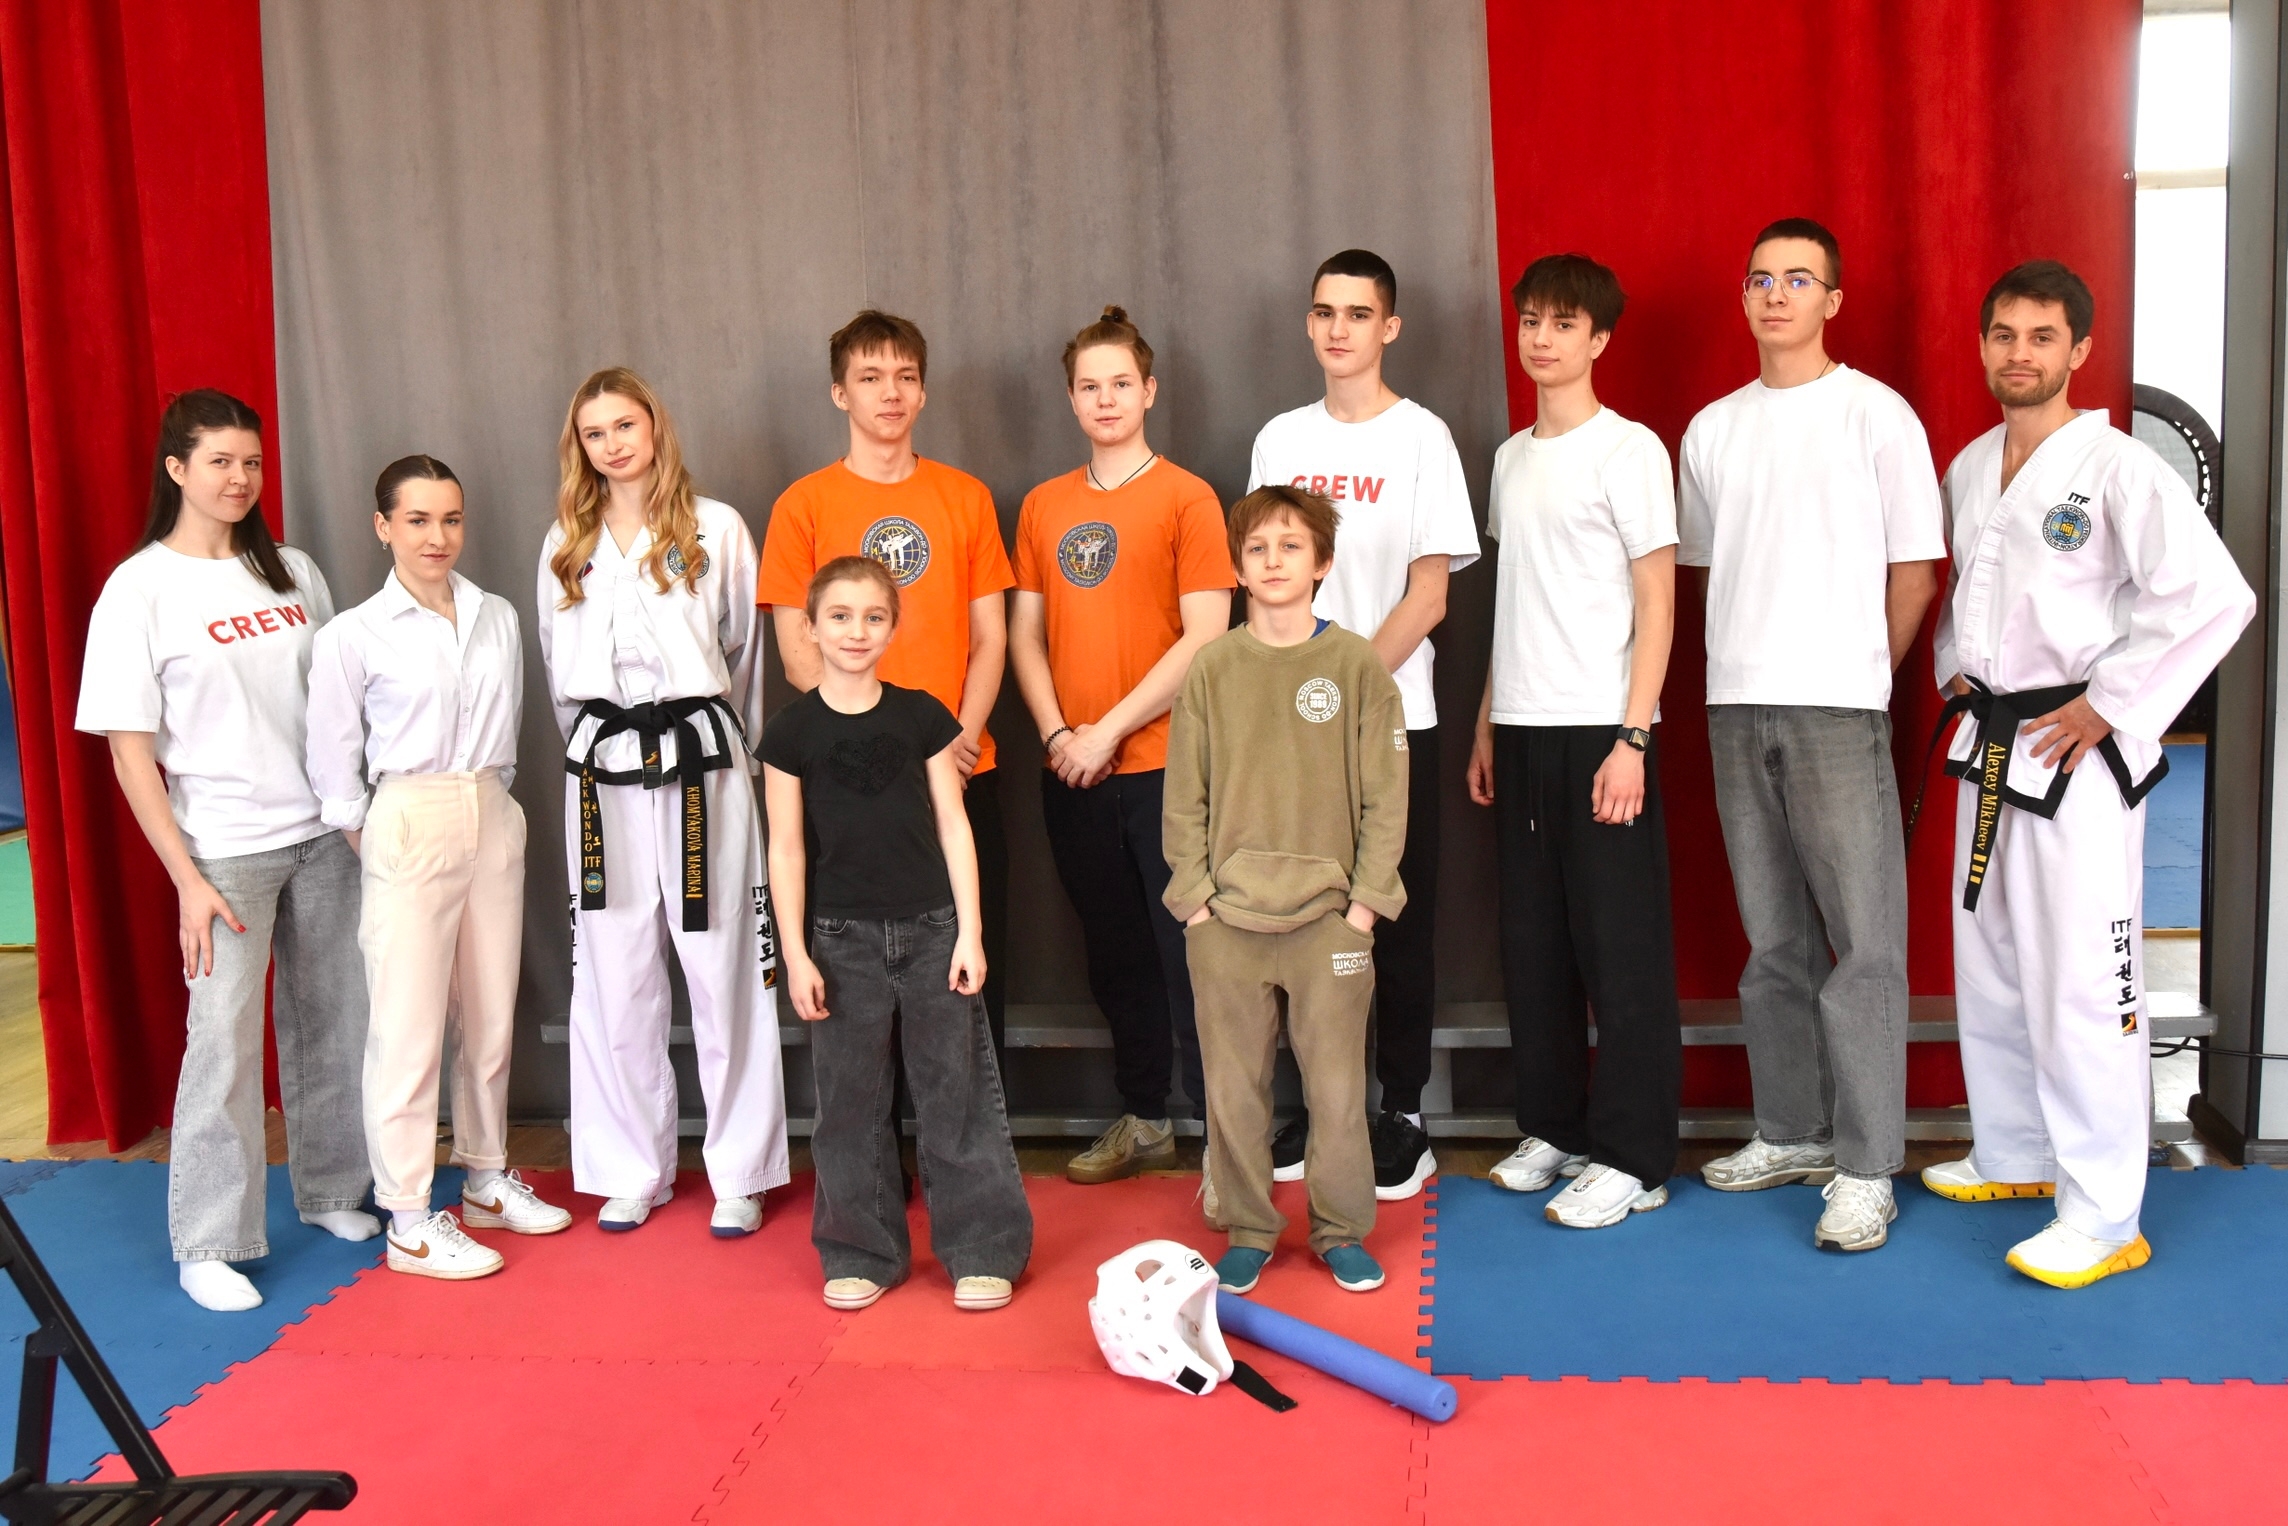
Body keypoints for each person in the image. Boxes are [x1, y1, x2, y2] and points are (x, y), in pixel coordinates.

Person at [1924, 261, 2252, 1287]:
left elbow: (2213, 596)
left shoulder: (2119, 467)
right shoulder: (1971, 465)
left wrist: (2111, 699)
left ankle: (2105, 1214)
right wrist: (1959, 673)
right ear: (1983, 345)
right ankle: (2016, 1150)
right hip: (1992, 741)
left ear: (2079, 350)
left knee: (2082, 981)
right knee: (1991, 960)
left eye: (2040, 336)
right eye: (2003, 334)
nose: (2018, 353)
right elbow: (1964, 602)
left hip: (2076, 756)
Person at [78, 389, 377, 1312]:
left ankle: (332, 1190)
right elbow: (130, 754)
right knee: (222, 1046)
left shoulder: (293, 572)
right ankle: (209, 1240)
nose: (240, 478)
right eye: (219, 462)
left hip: (323, 837)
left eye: (251, 462)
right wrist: (186, 879)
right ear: (177, 469)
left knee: (336, 1023)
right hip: (224, 855)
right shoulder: (139, 590)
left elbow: (337, 705)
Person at [1680, 218, 1946, 1252]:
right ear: (1743, 295)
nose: (1776, 294)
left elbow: (1915, 569)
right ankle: (1791, 1129)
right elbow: (1710, 566)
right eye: (1760, 278)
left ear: (1832, 300)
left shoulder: (1875, 414)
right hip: (1735, 702)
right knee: (1772, 941)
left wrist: (1861, 674)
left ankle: (1868, 1165)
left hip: (1837, 705)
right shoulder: (1712, 429)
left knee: (1863, 945)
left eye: (1798, 279)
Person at [1246, 249, 1479, 1201]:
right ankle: (1316, 1104)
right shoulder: (1280, 440)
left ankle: (1403, 1113)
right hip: (1293, 731)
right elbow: (1265, 578)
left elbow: (1429, 595)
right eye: (1324, 312)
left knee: (1393, 917)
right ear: (1309, 324)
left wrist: (1342, 689)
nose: (1338, 329)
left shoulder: (1422, 439)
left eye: (1357, 313)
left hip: (1391, 719)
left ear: (1389, 328)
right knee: (1301, 919)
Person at [307, 455, 571, 1281]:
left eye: (451, 519)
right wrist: (383, 841)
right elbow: (332, 764)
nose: (437, 536)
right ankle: (410, 1218)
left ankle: (487, 1180)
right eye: (417, 520)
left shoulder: (495, 616)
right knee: (408, 1027)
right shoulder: (353, 635)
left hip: (489, 806)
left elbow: (510, 731)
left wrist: (489, 813)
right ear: (383, 526)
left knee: (490, 1015)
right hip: (408, 813)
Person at [538, 367, 787, 1234]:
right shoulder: (565, 541)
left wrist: (738, 754)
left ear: (654, 427)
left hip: (703, 758)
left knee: (723, 962)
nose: (613, 444)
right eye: (595, 432)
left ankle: (741, 1171)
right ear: (580, 446)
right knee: (613, 966)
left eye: (625, 425)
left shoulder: (715, 527)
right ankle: (629, 1167)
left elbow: (746, 652)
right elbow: (558, 671)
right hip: (602, 762)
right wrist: (597, 745)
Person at [1466, 254, 1683, 1227]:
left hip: (1603, 726)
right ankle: (1552, 1126)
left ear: (1598, 339)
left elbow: (1656, 599)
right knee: (1534, 943)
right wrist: (1486, 717)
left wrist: (1632, 735)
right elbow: (1515, 599)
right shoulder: (1509, 458)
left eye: (1562, 323)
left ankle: (1634, 1156)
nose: (1541, 338)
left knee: (1619, 947)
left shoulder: (1628, 450)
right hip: (1520, 727)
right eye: (1530, 321)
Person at [762, 557, 1032, 1312]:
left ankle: (982, 1249)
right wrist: (796, 953)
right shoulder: (790, 732)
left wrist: (970, 933)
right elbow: (786, 849)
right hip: (840, 938)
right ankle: (859, 1252)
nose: (856, 631)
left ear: (892, 628)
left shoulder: (923, 717)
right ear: (810, 627)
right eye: (839, 616)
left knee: (956, 1096)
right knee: (848, 1104)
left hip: (933, 930)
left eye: (873, 617)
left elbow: (954, 825)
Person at [1166, 485, 1410, 1295]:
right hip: (1226, 920)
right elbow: (1185, 793)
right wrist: (1195, 902)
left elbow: (1387, 797)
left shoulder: (1356, 666)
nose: (1274, 561)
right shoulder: (1212, 668)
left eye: (1291, 546)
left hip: (1329, 919)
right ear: (1237, 568)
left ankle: (1340, 1229)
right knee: (1233, 1088)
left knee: (1337, 1090)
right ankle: (1247, 1226)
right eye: (1258, 548)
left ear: (1322, 563)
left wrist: (1365, 907)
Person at [1009, 306, 1232, 1184]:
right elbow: (1024, 635)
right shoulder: (1043, 505)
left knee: (1192, 956)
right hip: (1072, 772)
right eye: (1088, 386)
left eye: (1120, 384)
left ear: (1149, 391)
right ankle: (1146, 1117)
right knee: (1115, 956)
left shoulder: (1187, 497)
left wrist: (1108, 730)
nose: (1105, 399)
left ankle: (1225, 1137)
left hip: (1166, 768)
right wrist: (1062, 734)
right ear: (1071, 399)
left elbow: (1207, 635)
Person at [758, 311, 1015, 1059]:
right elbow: (797, 651)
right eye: (870, 378)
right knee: (862, 994)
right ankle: (875, 1136)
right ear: (840, 393)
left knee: (967, 975)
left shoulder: (965, 497)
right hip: (850, 781)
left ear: (924, 391)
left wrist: (958, 741)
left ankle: (968, 1134)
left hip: (959, 769)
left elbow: (991, 638)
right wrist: (873, 752)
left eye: (905, 377)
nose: (890, 393)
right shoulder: (802, 505)